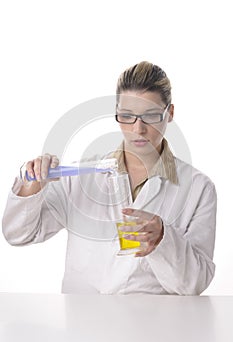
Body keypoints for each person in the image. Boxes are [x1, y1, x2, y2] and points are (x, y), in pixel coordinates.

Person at [2, 61, 217, 295]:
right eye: (127, 116)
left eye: (151, 116)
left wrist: (164, 240)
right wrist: (32, 187)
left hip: (154, 326)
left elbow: (194, 284)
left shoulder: (198, 188)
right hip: (84, 324)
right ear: (116, 113)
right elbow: (18, 234)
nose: (138, 129)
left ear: (170, 113)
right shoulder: (80, 178)